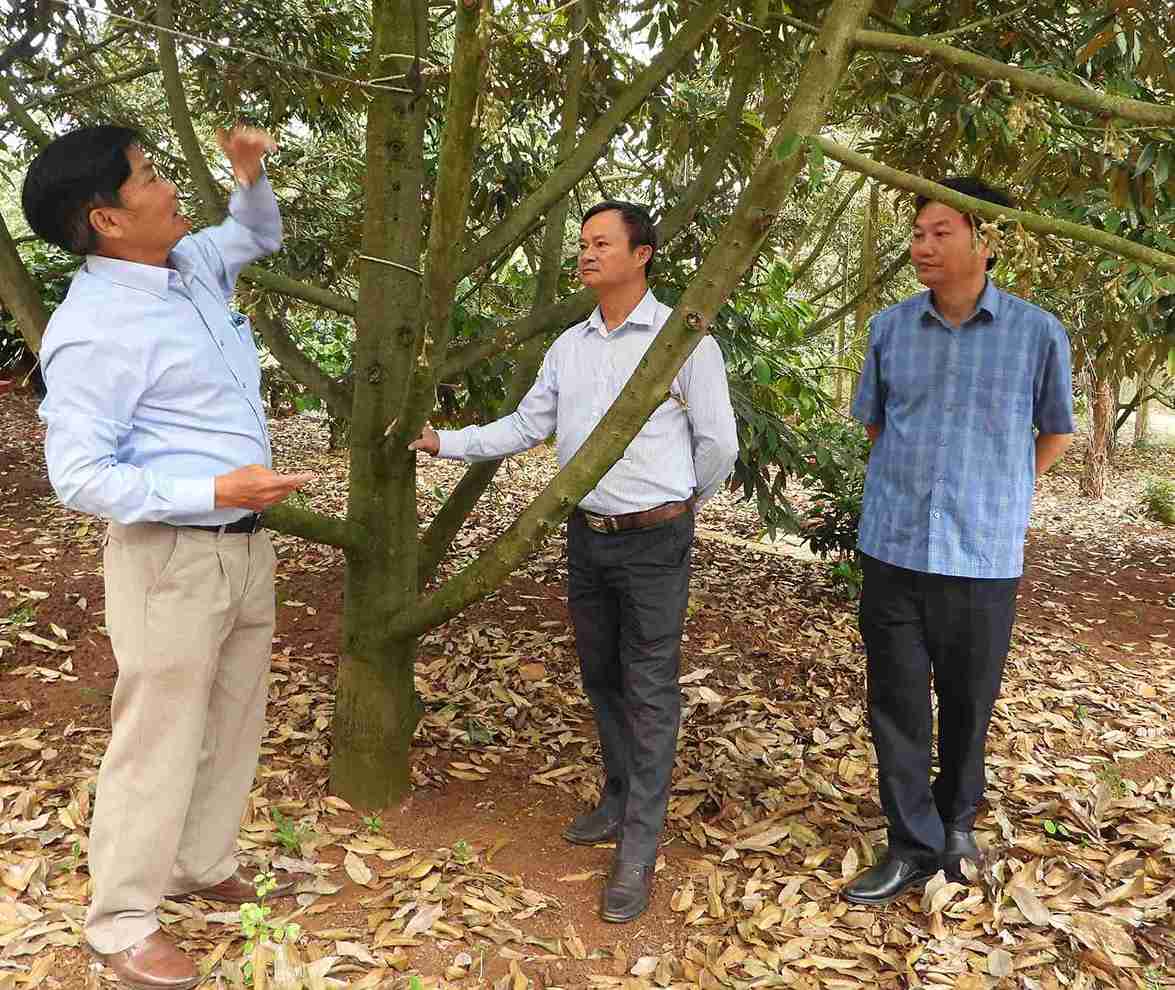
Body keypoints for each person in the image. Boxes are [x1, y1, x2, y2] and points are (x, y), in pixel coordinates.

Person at [24, 124, 314, 988]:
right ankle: (121, 919)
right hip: (171, 556)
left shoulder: (186, 267)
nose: (168, 184)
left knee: (232, 715)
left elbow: (256, 232)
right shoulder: (92, 331)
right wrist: (214, 493)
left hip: (241, 548)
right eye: (149, 177)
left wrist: (249, 175)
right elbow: (79, 475)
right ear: (107, 219)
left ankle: (199, 861)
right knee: (157, 735)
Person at [411, 201, 739, 922]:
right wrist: (446, 443)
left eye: (601, 243)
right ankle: (618, 798)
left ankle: (638, 850)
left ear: (641, 254)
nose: (587, 254)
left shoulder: (683, 343)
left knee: (649, 686)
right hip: (588, 535)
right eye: (583, 244)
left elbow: (718, 447)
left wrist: (678, 505)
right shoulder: (572, 345)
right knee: (601, 674)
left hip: (656, 538)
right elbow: (529, 425)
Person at [843, 177, 1075, 906]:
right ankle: (909, 842)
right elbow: (877, 425)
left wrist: (997, 490)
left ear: (986, 240)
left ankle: (955, 823)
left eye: (940, 231)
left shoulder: (1036, 333)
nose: (922, 246)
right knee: (898, 700)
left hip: (980, 552)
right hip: (893, 545)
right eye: (917, 233)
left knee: (970, 699)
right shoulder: (888, 328)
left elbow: (1055, 434)